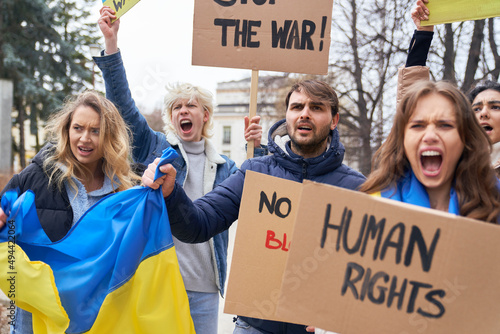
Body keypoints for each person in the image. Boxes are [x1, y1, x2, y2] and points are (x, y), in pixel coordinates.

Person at [143, 79, 366, 334]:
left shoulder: (356, 189)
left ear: (334, 120)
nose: (304, 113)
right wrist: (172, 193)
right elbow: (199, 223)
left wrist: (339, 317)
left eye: (316, 108)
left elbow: (368, 274)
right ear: (287, 116)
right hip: (254, 327)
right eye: (297, 107)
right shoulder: (255, 173)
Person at [94, 7, 265, 334]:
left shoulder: (227, 168)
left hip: (204, 290)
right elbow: (123, 107)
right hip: (158, 279)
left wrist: (259, 147)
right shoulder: (155, 150)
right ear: (171, 118)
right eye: (176, 107)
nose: (182, 111)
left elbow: (259, 200)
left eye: (190, 105)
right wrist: (112, 44)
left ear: (206, 115)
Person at [0, 90, 142, 333]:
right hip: (36, 315)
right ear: (67, 130)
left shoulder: (123, 192)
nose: (84, 138)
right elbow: (6, 216)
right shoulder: (36, 176)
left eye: (95, 131)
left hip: (94, 317)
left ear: (109, 136)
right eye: (78, 128)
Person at [360, 80, 500, 221]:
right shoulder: (370, 205)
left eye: (445, 125)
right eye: (418, 126)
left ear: (466, 139)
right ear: (402, 139)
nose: (430, 136)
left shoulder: (495, 201)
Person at [404, 0, 500, 176]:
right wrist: (423, 33)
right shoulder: (447, 168)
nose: (484, 113)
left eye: (495, 107)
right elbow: (411, 105)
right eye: (476, 108)